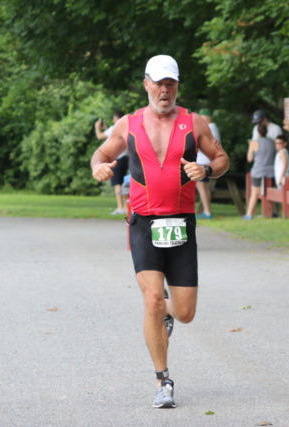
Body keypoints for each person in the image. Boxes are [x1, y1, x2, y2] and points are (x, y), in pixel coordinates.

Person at [90, 55, 229, 409]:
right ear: (146, 84)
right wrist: (99, 168)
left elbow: (222, 158)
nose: (164, 90)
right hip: (143, 222)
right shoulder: (129, 123)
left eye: (171, 84)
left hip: (181, 223)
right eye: (159, 83)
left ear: (177, 86)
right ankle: (163, 380)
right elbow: (101, 153)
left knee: (184, 313)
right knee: (152, 300)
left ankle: (167, 313)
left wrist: (208, 170)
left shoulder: (194, 122)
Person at [95, 110, 128, 215]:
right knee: (124, 183)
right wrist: (106, 128)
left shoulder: (114, 128)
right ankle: (126, 207)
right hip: (125, 159)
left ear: (115, 118)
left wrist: (97, 127)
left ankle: (120, 207)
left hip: (116, 160)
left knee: (117, 183)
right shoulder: (126, 127)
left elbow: (99, 136)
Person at [243, 123, 276, 219]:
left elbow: (249, 158)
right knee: (271, 192)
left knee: (254, 193)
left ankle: (249, 214)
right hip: (271, 171)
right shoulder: (272, 142)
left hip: (258, 170)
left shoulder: (254, 142)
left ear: (258, 132)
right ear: (267, 132)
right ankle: (271, 211)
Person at [195, 108, 221, 219]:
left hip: (203, 162)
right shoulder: (213, 128)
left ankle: (207, 212)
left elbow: (207, 146)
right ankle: (207, 210)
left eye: (202, 117)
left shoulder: (209, 128)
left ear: (207, 117)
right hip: (207, 161)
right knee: (204, 187)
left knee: (201, 186)